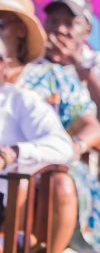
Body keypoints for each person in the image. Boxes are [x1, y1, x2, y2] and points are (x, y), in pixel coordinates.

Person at [0, 0, 100, 252]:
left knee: (56, 180)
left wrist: (69, 150)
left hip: (47, 172)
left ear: (21, 30)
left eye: (0, 23)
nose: (60, 28)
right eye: (54, 21)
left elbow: (91, 126)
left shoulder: (52, 76)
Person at [0, 36, 73, 229]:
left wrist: (14, 153)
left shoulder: (20, 100)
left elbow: (62, 147)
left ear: (5, 65)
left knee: (61, 183)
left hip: (7, 204)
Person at [43, 0, 100, 133]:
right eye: (53, 21)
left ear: (87, 31)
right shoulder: (29, 64)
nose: (60, 29)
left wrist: (79, 65)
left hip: (87, 150)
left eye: (69, 23)